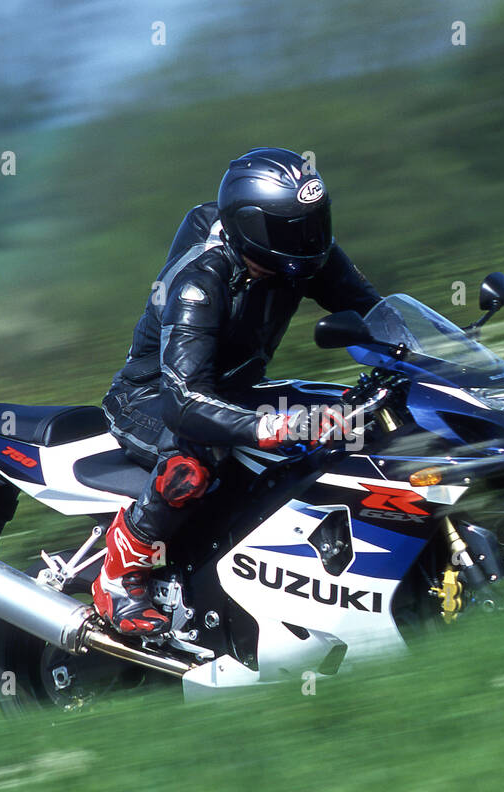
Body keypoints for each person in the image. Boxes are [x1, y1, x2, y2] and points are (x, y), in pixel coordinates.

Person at [94, 147, 382, 636]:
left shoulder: (305, 256)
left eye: (314, 223)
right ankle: (121, 573)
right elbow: (184, 402)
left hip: (230, 391)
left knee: (352, 416)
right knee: (200, 452)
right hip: (154, 400)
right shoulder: (199, 283)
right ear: (252, 228)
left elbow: (374, 316)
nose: (309, 240)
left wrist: (431, 355)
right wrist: (277, 425)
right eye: (292, 229)